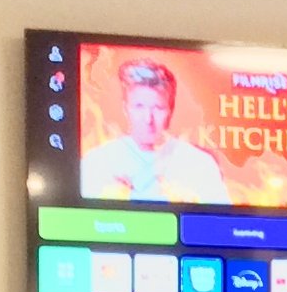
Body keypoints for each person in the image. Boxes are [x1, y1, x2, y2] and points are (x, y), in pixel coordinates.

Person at [80, 60, 230, 203]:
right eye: (139, 107)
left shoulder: (199, 163)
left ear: (170, 110)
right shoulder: (97, 162)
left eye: (158, 108)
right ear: (125, 108)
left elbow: (221, 219)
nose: (148, 119)